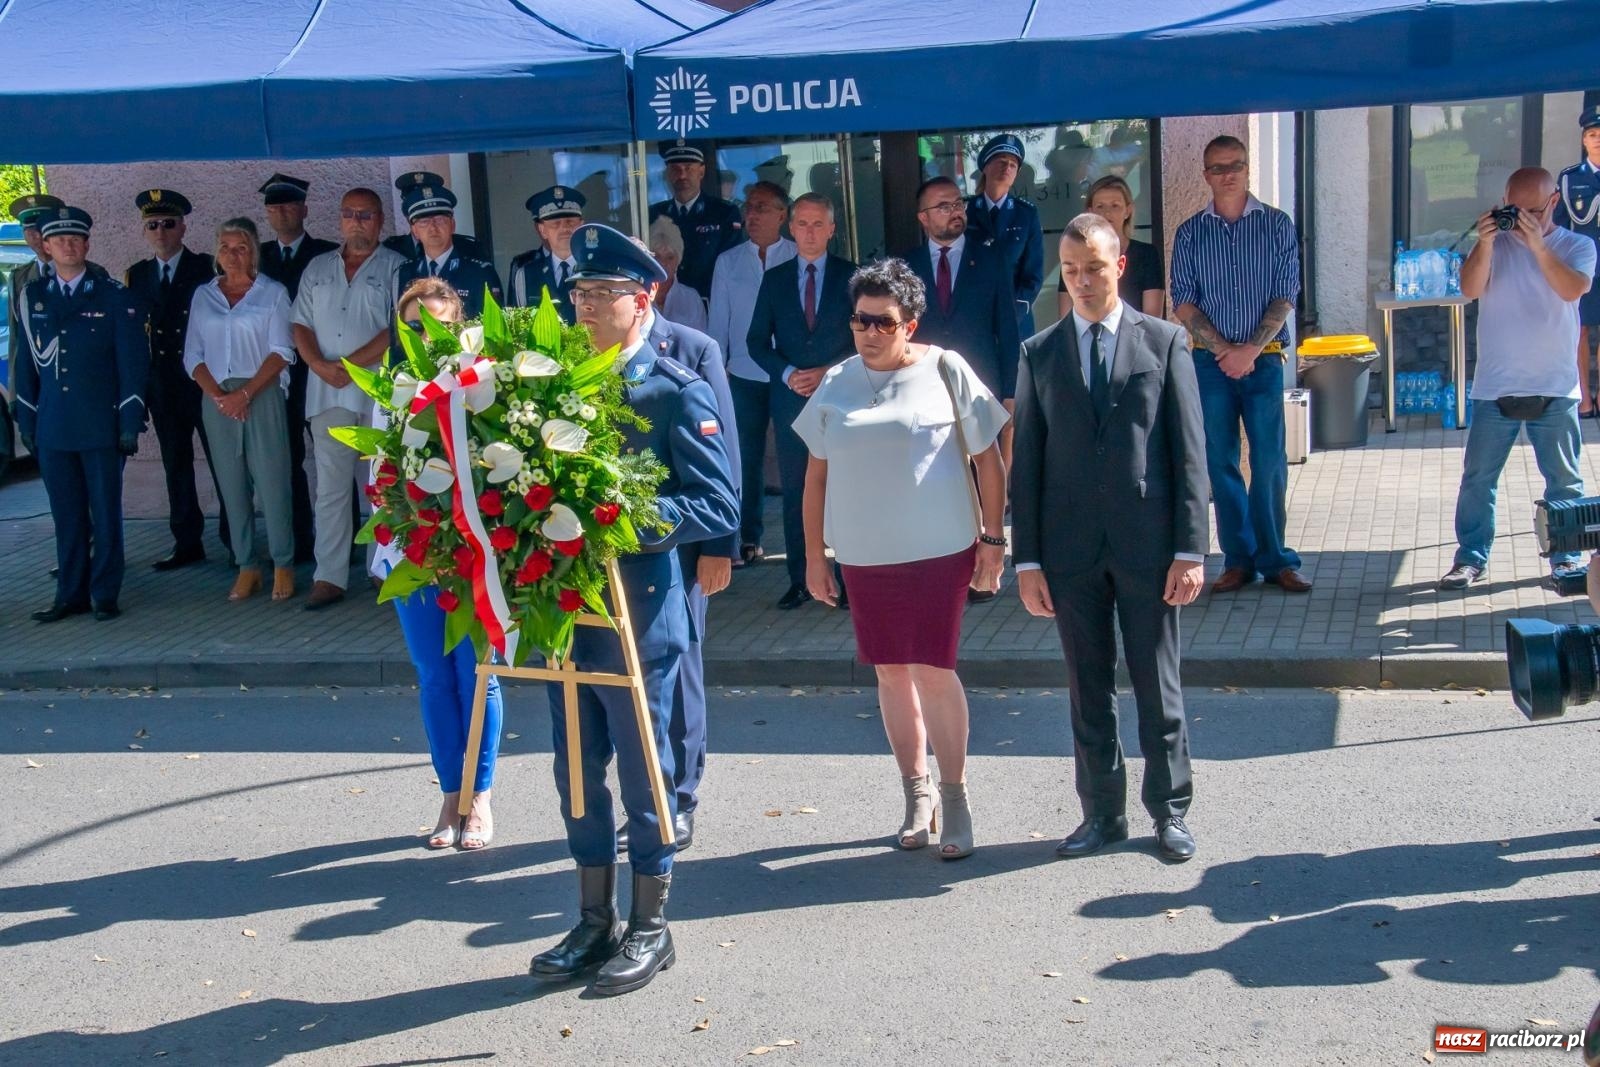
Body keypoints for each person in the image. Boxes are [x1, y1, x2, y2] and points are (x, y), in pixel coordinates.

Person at [528, 224, 738, 996]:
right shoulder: (552, 384)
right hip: (569, 612)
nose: (583, 307)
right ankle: (593, 917)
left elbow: (718, 499)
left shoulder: (672, 387)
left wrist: (618, 516)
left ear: (642, 298)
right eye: (578, 293)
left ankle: (651, 920)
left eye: (600, 295)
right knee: (576, 769)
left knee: (648, 773)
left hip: (639, 610)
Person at [794, 259, 1008, 860]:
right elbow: (815, 480)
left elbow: (988, 460)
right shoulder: (835, 381)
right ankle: (917, 793)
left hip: (940, 549)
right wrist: (816, 557)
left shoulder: (946, 368)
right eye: (859, 320)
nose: (868, 332)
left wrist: (994, 540)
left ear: (909, 324)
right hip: (865, 555)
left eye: (882, 322)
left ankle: (956, 794)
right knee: (890, 671)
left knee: (934, 670)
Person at [1014, 213, 1209, 863]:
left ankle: (1170, 809)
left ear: (1118, 266)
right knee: (1086, 687)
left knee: (1159, 684)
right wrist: (1029, 560)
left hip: (1147, 547)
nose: (1083, 281)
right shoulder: (1039, 353)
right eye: (1070, 271)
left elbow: (1189, 451)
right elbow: (1029, 465)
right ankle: (1102, 812)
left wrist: (1191, 547)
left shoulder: (1163, 341)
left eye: (1094, 267)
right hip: (1070, 555)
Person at [614, 237, 739, 854]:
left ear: (647, 289)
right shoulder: (589, 354)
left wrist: (721, 546)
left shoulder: (691, 349)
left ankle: (680, 794)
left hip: (683, 543)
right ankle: (646, 788)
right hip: (614, 555)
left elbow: (725, 457)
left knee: (680, 662)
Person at [379, 278, 503, 851]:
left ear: (457, 324)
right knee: (434, 676)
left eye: (436, 322)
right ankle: (449, 794)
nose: (424, 334)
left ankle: (479, 797)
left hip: (473, 549)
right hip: (414, 550)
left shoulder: (481, 383)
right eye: (413, 325)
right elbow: (380, 474)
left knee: (476, 677)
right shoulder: (390, 389)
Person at [1439, 167, 1595, 590]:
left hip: (1555, 386)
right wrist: (1486, 239)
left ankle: (1567, 559)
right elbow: (1470, 288)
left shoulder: (1576, 244)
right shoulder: (1495, 245)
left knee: (1564, 480)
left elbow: (1572, 288)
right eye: (1514, 210)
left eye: (1533, 211)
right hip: (1496, 386)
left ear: (1554, 204)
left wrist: (1539, 245)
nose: (1523, 219)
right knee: (1478, 479)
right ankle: (1470, 558)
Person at [1170, 135, 1310, 595]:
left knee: (1270, 461)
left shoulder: (1276, 225)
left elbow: (1286, 295)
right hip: (1209, 365)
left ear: (1248, 169)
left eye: (1235, 164)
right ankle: (1238, 560)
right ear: (1206, 174)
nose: (1227, 173)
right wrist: (1223, 350)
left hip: (1265, 360)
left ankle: (1277, 560)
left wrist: (1248, 350)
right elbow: (1184, 302)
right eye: (1217, 167)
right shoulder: (1190, 232)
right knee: (1219, 461)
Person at [15, 206, 148, 622]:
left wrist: (129, 422)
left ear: (87, 245)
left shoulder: (113, 296)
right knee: (66, 514)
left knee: (105, 513)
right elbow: (25, 367)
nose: (68, 246)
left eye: (75, 239)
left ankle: (104, 592)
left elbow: (132, 366)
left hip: (100, 424)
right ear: (47, 247)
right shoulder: (33, 297)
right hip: (54, 425)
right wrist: (28, 420)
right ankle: (69, 593)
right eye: (59, 240)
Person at [292, 187, 406, 611]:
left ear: (380, 221)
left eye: (366, 215)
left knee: (383, 487)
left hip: (379, 393)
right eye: (349, 214)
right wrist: (318, 365)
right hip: (327, 390)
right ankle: (329, 576)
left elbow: (397, 327)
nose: (357, 222)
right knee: (331, 489)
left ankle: (385, 569)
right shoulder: (317, 268)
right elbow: (299, 323)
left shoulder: (397, 267)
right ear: (339, 220)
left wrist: (351, 365)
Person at [906, 176, 1019, 602]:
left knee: (981, 472)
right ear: (923, 218)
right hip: (925, 385)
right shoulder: (907, 263)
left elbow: (1007, 327)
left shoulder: (990, 260)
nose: (954, 211)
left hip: (980, 382)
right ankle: (941, 561)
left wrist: (1010, 389)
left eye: (958, 203)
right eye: (942, 206)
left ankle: (982, 567)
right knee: (937, 474)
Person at [746, 193, 857, 610]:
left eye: (818, 224)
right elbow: (755, 342)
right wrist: (788, 372)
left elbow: (866, 339)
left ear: (831, 230)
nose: (810, 232)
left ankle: (847, 580)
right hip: (792, 400)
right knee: (796, 491)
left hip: (841, 397)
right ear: (791, 230)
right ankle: (801, 580)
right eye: (802, 224)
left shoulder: (852, 277)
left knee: (844, 490)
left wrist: (830, 371)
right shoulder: (774, 280)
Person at [184, 218, 297, 604]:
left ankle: (283, 562)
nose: (233, 255)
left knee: (272, 481)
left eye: (241, 247)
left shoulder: (273, 293)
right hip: (216, 397)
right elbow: (193, 355)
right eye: (226, 247)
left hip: (260, 393)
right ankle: (247, 564)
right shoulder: (204, 295)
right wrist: (220, 395)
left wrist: (245, 393)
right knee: (231, 485)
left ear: (254, 251)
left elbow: (282, 351)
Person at [125, 188, 229, 571]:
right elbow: (136, 337)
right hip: (164, 386)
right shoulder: (136, 275)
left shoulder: (205, 268)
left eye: (168, 223)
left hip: (203, 382)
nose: (161, 231)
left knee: (223, 463)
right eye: (153, 225)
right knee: (176, 464)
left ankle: (234, 540)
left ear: (183, 226)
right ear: (144, 231)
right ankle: (186, 541)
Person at [708, 181, 796, 566]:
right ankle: (747, 535)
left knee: (798, 456)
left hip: (791, 372)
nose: (752, 215)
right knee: (744, 456)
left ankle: (803, 538)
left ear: (782, 214)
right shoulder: (729, 261)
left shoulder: (797, 256)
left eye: (762, 208)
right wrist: (716, 373)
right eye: (749, 208)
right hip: (742, 373)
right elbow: (718, 324)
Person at [257, 173, 339, 566]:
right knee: (285, 458)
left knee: (334, 458)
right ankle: (299, 540)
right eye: (274, 207)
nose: (282, 212)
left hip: (320, 371)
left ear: (304, 209)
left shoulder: (327, 254)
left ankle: (338, 541)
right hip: (278, 375)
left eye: (289, 205)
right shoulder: (259, 258)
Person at [967, 134, 1044, 336]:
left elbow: (1033, 275)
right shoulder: (967, 212)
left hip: (1015, 321)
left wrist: (1011, 314)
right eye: (1001, 161)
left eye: (1012, 164)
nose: (1007, 167)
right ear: (985, 167)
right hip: (974, 319)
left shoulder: (1026, 214)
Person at [649, 139, 744, 303]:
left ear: (701, 171)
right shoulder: (654, 214)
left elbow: (733, 265)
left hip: (711, 304)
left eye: (688, 168)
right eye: (676, 169)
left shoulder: (723, 213)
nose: (682, 175)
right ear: (668, 173)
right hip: (665, 304)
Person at [1058, 175, 1165, 319]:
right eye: (1100, 206)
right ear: (1090, 211)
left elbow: (1152, 317)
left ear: (1128, 210)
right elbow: (1066, 316)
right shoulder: (1074, 255)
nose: (1107, 213)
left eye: (1115, 205)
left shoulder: (1146, 254)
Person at [395, 181, 502, 320]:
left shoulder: (479, 272)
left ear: (452, 225)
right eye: (424, 222)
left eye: (439, 220)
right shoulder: (404, 273)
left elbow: (493, 327)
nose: (433, 228)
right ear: (414, 231)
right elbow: (397, 329)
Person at [1554, 106, 1600, 418]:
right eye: (1592, 135)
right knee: (1579, 331)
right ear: (1584, 140)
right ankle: (1583, 398)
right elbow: (1558, 226)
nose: (1598, 140)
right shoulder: (1570, 179)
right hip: (1583, 268)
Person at [6, 194, 63, 409]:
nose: (36, 237)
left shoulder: (90, 273)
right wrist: (14, 395)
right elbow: (16, 339)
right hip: (38, 387)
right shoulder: (19, 278)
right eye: (29, 231)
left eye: (41, 229)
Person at [508, 185, 584, 321]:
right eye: (555, 223)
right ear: (542, 230)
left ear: (581, 225)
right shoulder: (526, 275)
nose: (564, 228)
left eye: (570, 222)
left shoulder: (596, 270)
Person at [383, 171, 482, 261]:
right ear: (406, 212)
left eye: (437, 216)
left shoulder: (468, 247)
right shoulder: (392, 249)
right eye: (414, 205)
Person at [646, 217, 708, 332]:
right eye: (657, 257)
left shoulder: (691, 298)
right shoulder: (639, 294)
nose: (663, 263)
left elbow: (700, 343)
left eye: (670, 257)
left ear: (678, 260)